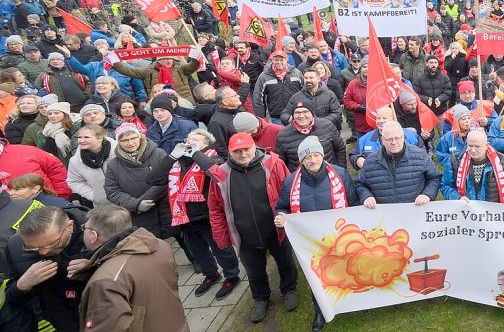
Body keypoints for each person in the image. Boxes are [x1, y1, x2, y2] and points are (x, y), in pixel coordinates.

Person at [204, 132, 298, 323]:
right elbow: (214, 208)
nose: (243, 154)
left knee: (286, 262)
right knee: (254, 270)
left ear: (254, 146)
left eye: (246, 149)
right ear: (230, 152)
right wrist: (221, 237)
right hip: (243, 233)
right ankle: (261, 298)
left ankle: (289, 289)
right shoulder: (221, 173)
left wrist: (290, 219)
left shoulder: (273, 163)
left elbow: (291, 191)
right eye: (237, 151)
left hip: (276, 229)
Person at [273, 136, 358, 332]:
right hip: (309, 241)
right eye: (308, 157)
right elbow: (282, 207)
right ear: (301, 160)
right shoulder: (290, 182)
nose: (313, 160)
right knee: (316, 276)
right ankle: (319, 310)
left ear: (322, 155)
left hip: (339, 235)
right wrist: (281, 217)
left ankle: (349, 303)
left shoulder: (340, 174)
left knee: (346, 270)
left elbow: (353, 203)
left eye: (316, 155)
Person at [146, 129, 242, 301]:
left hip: (207, 214)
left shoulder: (212, 157)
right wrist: (172, 157)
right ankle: (211, 274)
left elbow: (217, 174)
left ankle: (231, 275)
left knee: (220, 248)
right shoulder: (177, 163)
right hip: (184, 216)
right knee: (197, 250)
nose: (190, 141)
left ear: (205, 143)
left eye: (196, 139)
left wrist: (196, 153)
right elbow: (152, 179)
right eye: (188, 138)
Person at [76, 204, 189, 332]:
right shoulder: (160, 245)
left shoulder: (106, 280)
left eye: (84, 228)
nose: (83, 230)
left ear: (93, 236)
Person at [3, 205, 89, 332]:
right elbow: (13, 299)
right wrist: (21, 286)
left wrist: (95, 268)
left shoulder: (97, 232)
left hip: (97, 317)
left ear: (69, 226)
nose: (43, 252)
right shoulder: (14, 246)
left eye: (51, 243)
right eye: (33, 247)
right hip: (59, 321)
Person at [104, 124, 174, 240]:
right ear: (118, 142)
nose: (130, 143)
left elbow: (169, 178)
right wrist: (136, 204)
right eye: (125, 140)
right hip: (140, 215)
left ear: (140, 137)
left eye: (133, 138)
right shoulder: (113, 165)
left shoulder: (158, 154)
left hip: (167, 209)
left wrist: (147, 197)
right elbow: (112, 191)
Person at [356, 121, 441, 207]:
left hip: (415, 211)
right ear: (382, 140)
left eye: (397, 138)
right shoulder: (370, 161)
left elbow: (435, 178)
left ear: (403, 137)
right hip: (382, 216)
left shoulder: (420, 155)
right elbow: (360, 184)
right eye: (389, 139)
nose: (393, 142)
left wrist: (427, 194)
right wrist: (366, 196)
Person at [440, 129, 504, 204]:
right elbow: (446, 186)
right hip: (466, 212)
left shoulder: (503, 162)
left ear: (486, 145)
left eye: (477, 147)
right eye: (470, 146)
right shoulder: (455, 160)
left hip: (493, 214)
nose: (473, 150)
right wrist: (458, 198)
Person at [112, 53, 201, 102]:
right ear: (159, 60)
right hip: (160, 104)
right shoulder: (148, 70)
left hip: (184, 101)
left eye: (170, 58)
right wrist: (113, 61)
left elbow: (194, 65)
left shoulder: (180, 67)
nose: (169, 60)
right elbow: (128, 70)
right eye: (165, 58)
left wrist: (195, 56)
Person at [66, 124, 116, 207]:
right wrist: (95, 196)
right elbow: (74, 182)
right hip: (103, 206)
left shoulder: (119, 153)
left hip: (127, 201)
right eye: (79, 137)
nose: (81, 141)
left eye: (86, 137)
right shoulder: (76, 160)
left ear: (100, 138)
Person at [5, 173, 69, 207]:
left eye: (17, 189)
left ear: (35, 189)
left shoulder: (55, 207)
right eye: (10, 189)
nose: (10, 193)